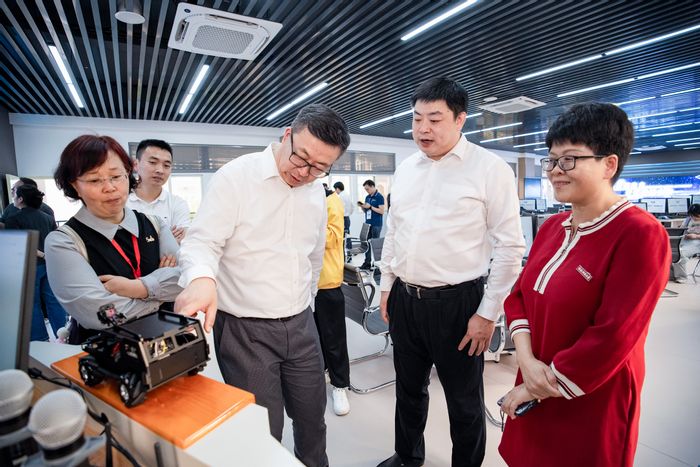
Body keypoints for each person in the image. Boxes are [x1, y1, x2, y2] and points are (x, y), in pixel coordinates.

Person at [174, 104, 350, 467]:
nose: (304, 172)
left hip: (300, 325)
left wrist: (306, 303)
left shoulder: (315, 193)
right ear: (286, 135)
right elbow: (202, 241)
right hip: (245, 330)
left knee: (312, 420)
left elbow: (313, 256)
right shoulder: (236, 177)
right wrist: (202, 279)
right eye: (301, 158)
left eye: (319, 168)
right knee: (262, 430)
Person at [498, 103, 670, 467]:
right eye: (551, 160)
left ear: (609, 164)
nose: (555, 170)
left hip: (589, 395)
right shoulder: (552, 227)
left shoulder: (640, 234)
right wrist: (526, 363)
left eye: (570, 159)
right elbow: (518, 298)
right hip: (534, 379)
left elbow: (613, 335)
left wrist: (537, 385)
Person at [377, 77, 525, 467]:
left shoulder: (490, 169)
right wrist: (386, 286)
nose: (423, 129)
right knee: (409, 390)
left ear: (460, 120)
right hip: (406, 298)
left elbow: (510, 247)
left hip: (459, 305)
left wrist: (488, 313)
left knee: (464, 401)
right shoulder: (407, 168)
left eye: (435, 119)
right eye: (416, 118)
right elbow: (394, 231)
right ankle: (407, 457)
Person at [45, 135, 181, 344]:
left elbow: (185, 279)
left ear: (128, 174)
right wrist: (162, 295)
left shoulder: (154, 224)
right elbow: (100, 313)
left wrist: (138, 289)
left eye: (117, 176)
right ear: (75, 185)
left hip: (167, 342)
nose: (109, 187)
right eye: (94, 180)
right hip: (105, 351)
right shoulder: (64, 242)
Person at [4, 184, 67, 341]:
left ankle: (40, 339)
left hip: (29, 266)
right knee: (53, 301)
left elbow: (20, 245)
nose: (13, 198)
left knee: (32, 303)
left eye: (15, 194)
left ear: (20, 199)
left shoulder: (13, 219)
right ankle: (64, 335)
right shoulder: (47, 218)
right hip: (49, 265)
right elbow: (54, 240)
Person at [314, 184, 351, 416]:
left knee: (333, 339)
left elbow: (334, 237)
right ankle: (321, 372)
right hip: (302, 286)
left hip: (327, 283)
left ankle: (340, 385)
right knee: (313, 339)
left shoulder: (331, 200)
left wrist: (303, 226)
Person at [126, 139, 191, 244]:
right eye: (153, 162)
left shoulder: (177, 204)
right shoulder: (122, 201)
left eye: (166, 165)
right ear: (136, 165)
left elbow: (183, 242)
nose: (160, 170)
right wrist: (166, 239)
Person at [359, 179, 384, 269]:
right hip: (368, 224)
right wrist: (363, 207)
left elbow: (381, 211)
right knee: (367, 244)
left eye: (368, 189)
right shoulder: (367, 197)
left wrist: (370, 207)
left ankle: (377, 264)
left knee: (375, 245)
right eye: (365, 189)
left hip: (376, 224)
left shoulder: (379, 197)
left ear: (373, 186)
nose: (367, 191)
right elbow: (366, 211)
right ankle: (367, 263)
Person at [672, 203, 700, 283]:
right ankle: (671, 274)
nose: (694, 218)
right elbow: (682, 230)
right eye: (692, 215)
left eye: (696, 216)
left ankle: (681, 277)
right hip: (685, 240)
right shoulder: (688, 220)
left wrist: (696, 236)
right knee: (671, 251)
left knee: (681, 254)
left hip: (697, 242)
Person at [333, 181, 354, 250]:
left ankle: (345, 252)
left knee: (343, 236)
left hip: (343, 218)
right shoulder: (347, 195)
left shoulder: (340, 196)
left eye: (335, 189)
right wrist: (348, 213)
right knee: (347, 235)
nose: (335, 191)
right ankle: (349, 251)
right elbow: (352, 206)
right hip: (347, 218)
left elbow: (339, 208)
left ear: (337, 188)